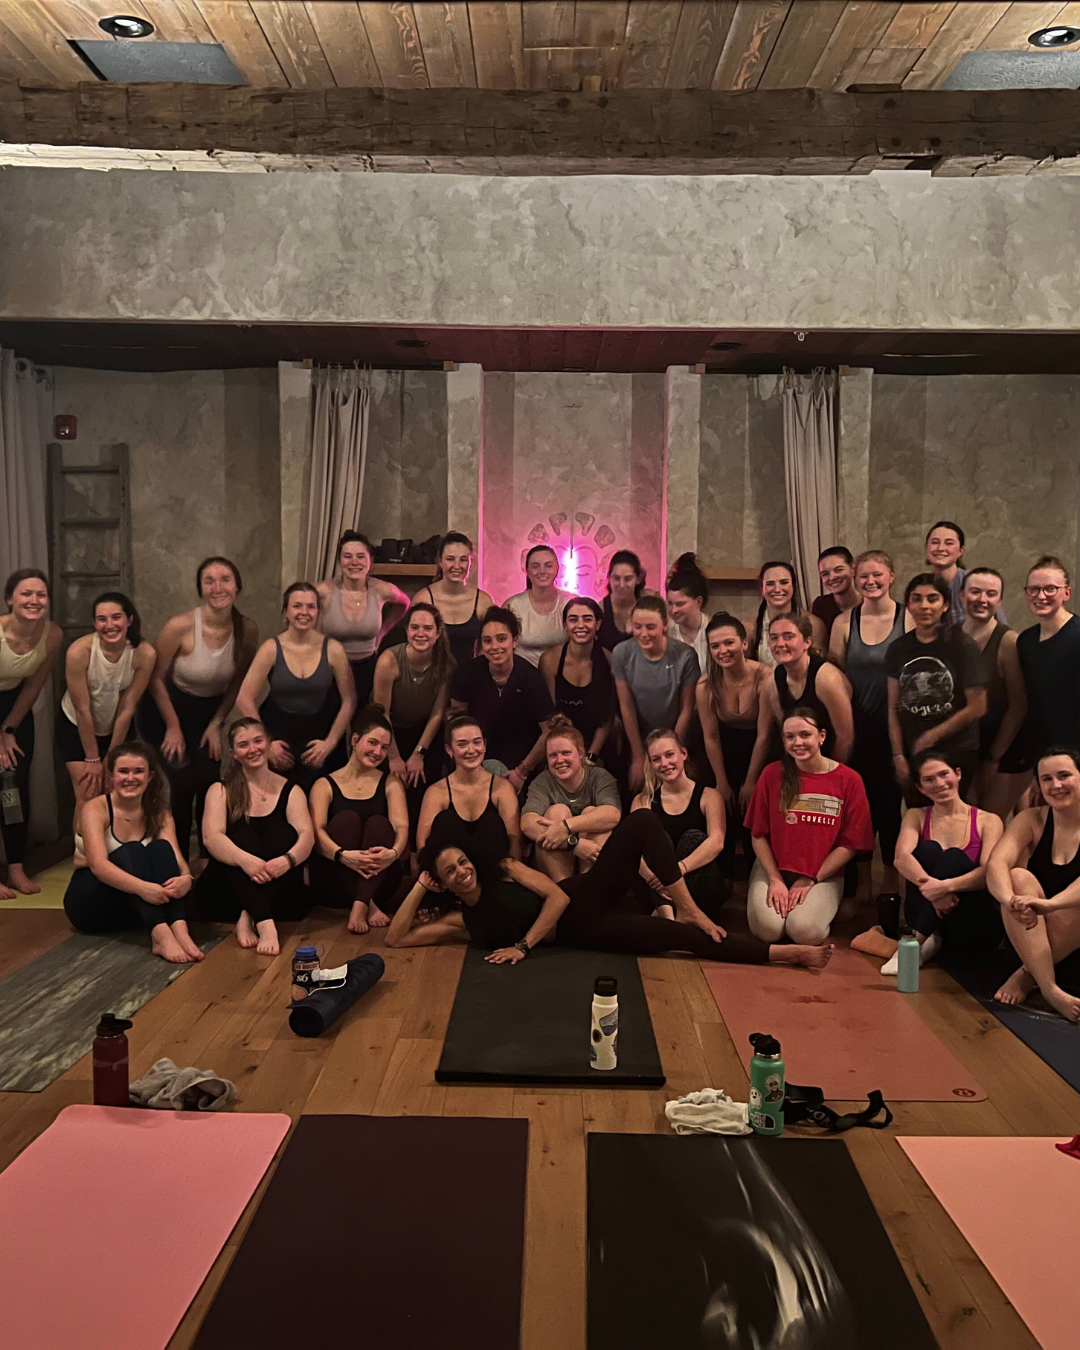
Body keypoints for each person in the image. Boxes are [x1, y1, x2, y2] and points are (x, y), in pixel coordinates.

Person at [386, 809, 834, 972]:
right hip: (587, 933)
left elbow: (558, 897)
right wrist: (420, 886)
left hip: (585, 895)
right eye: (450, 871)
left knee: (641, 822)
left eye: (462, 862)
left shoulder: (503, 869)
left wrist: (523, 946)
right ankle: (790, 955)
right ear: (443, 881)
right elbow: (396, 938)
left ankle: (688, 906)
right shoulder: (462, 922)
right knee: (680, 940)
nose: (462, 872)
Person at [146, 556, 258, 869]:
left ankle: (209, 860)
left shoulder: (248, 629)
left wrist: (216, 724)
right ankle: (178, 861)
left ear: (237, 587)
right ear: (200, 588)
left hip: (208, 714)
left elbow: (237, 683)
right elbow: (154, 679)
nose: (217, 587)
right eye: (209, 581)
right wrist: (172, 726)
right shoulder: (180, 626)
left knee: (210, 784)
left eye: (225, 579)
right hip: (164, 710)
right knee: (182, 785)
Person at [63, 741, 201, 964]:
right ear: (111, 776)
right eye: (123, 771)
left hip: (135, 905)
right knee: (134, 850)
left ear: (150, 776)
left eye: (138, 771)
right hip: (92, 902)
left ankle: (179, 928)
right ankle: (161, 935)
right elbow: (98, 865)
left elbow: (175, 856)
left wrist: (187, 878)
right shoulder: (95, 809)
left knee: (160, 848)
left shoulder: (159, 811)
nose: (130, 778)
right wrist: (143, 888)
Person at [745, 708, 874, 945]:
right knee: (768, 930)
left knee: (804, 932)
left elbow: (852, 844)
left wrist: (811, 879)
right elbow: (758, 834)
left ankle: (823, 909)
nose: (798, 743)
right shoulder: (772, 774)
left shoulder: (849, 780)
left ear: (821, 736)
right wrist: (775, 878)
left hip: (823, 874)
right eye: (790, 737)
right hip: (774, 867)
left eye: (805, 735)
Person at [829, 550, 910, 904]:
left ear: (891, 575)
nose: (870, 581)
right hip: (856, 729)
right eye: (863, 576)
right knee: (858, 809)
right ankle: (862, 883)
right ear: (855, 579)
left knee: (891, 807)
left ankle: (891, 881)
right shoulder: (844, 622)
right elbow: (834, 676)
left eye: (877, 574)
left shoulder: (908, 618)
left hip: (895, 729)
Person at [198, 718, 314, 957]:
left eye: (258, 741)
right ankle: (265, 925)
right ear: (234, 754)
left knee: (283, 833)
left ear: (269, 744)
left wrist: (287, 861)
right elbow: (211, 838)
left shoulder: (292, 790)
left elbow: (307, 836)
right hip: (228, 893)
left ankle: (248, 915)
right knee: (244, 838)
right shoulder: (220, 790)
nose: (253, 749)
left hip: (278, 889)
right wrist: (245, 861)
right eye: (244, 745)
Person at [986, 747, 1080, 1022]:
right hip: (1029, 935)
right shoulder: (1032, 819)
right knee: (1017, 878)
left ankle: (1027, 976)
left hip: (1073, 946)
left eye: (1064, 775)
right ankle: (1049, 988)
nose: (1056, 785)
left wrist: (1050, 904)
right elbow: (996, 864)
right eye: (1047, 779)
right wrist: (1010, 901)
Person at [236, 582, 356, 793]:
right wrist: (266, 743)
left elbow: (349, 700)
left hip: (320, 734)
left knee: (319, 798)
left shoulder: (333, 649)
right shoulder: (271, 648)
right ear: (286, 612)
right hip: (278, 735)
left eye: (311, 607)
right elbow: (244, 698)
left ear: (318, 612)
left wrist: (329, 743)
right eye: (297, 606)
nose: (304, 612)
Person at [890, 750, 1004, 971]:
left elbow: (988, 873)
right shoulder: (916, 815)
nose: (939, 784)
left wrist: (944, 887)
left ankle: (912, 945)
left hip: (971, 924)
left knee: (953, 857)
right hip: (928, 916)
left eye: (944, 774)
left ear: (957, 774)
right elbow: (901, 858)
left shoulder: (988, 821)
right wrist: (935, 894)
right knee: (929, 850)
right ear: (921, 788)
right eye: (929, 780)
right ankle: (926, 939)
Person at [886, 574, 988, 798]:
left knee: (955, 813)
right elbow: (893, 706)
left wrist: (932, 737)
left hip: (957, 749)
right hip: (914, 752)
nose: (924, 606)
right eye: (917, 599)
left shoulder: (962, 645)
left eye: (932, 599)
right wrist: (898, 755)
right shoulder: (898, 649)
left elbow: (978, 706)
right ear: (908, 605)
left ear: (945, 605)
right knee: (919, 814)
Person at [309, 706, 409, 934]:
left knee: (379, 824)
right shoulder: (324, 784)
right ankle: (367, 905)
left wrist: (393, 854)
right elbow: (316, 834)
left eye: (384, 747)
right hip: (335, 878)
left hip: (380, 878)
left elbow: (401, 827)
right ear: (355, 740)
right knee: (347, 820)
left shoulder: (391, 783)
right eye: (372, 743)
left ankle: (361, 904)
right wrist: (344, 856)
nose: (377, 752)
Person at [57, 591, 155, 805]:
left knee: (115, 792)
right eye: (102, 619)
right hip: (76, 725)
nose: (109, 625)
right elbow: (82, 708)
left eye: (116, 617)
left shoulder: (144, 654)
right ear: (94, 623)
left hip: (117, 727)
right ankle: (83, 830)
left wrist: (111, 757)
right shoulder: (79, 651)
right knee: (89, 793)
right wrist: (92, 758)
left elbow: (128, 707)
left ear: (129, 620)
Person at [0, 569, 62, 898]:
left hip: (15, 708)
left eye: (41, 594)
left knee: (16, 787)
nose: (34, 600)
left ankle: (16, 867)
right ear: (10, 599)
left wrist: (8, 729)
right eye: (26, 594)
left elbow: (33, 686)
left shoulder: (52, 635)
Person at [697, 613, 771, 874]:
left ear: (744, 643)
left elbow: (764, 735)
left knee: (755, 807)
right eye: (715, 646)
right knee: (719, 803)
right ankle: (723, 876)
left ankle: (760, 872)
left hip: (761, 750)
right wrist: (722, 782)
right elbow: (710, 736)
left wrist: (750, 782)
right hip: (724, 752)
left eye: (729, 643)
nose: (723, 651)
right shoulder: (706, 684)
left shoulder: (765, 677)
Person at [449, 607, 554, 791]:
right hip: (474, 759)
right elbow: (457, 724)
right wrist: (469, 764)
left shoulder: (531, 678)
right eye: (487, 641)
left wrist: (522, 772)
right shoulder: (467, 673)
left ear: (515, 641)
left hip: (520, 766)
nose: (495, 646)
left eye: (502, 639)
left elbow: (548, 731)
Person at [634, 729, 726, 923]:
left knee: (694, 837)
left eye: (669, 755)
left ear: (683, 754)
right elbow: (634, 850)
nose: (664, 763)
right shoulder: (643, 800)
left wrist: (676, 872)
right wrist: (652, 878)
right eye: (656, 759)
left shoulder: (709, 796)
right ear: (650, 763)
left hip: (701, 889)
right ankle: (669, 920)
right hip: (656, 890)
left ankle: (677, 916)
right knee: (659, 839)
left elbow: (717, 842)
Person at [999, 556, 1080, 777]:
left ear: (1067, 593)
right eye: (1033, 589)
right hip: (1045, 756)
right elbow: (1034, 706)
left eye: (1050, 589)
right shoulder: (1026, 641)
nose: (1041, 596)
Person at [371, 601, 455, 814]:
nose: (420, 634)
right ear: (407, 630)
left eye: (427, 628)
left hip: (423, 732)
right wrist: (393, 757)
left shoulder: (446, 664)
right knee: (391, 786)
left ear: (438, 632)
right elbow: (382, 713)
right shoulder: (389, 660)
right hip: (388, 730)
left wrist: (419, 753)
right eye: (415, 627)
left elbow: (437, 713)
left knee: (421, 785)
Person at [960, 567, 1028, 819]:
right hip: (964, 749)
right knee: (966, 824)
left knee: (990, 821)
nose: (982, 599)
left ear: (999, 601)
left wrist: (993, 758)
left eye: (991, 594)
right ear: (961, 595)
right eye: (975, 592)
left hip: (1001, 748)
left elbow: (1018, 706)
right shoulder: (950, 637)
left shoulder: (1009, 642)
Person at [613, 595, 699, 793]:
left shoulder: (685, 655)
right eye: (638, 627)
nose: (644, 634)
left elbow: (686, 709)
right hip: (638, 738)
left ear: (665, 625)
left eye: (651, 627)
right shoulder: (622, 653)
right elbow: (626, 707)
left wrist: (672, 752)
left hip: (676, 736)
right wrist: (638, 757)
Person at [520, 715, 621, 881]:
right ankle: (565, 889)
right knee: (557, 811)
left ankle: (588, 886)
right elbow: (527, 823)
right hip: (553, 866)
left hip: (592, 858)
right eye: (553, 755)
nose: (560, 760)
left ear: (581, 753)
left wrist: (564, 827)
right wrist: (573, 843)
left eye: (566, 753)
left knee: (593, 812)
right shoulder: (542, 781)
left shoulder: (599, 777)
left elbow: (612, 815)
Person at [317, 530, 409, 709]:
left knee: (365, 721)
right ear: (340, 561)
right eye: (347, 556)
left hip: (368, 669)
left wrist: (382, 632)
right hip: (331, 670)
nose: (354, 562)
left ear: (370, 561)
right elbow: (297, 609)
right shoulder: (324, 591)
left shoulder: (380, 589)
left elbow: (404, 603)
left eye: (360, 556)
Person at [417, 714, 522, 865]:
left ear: (484, 745)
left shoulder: (503, 789)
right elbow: (423, 847)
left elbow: (515, 843)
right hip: (451, 876)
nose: (471, 750)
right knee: (447, 821)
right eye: (462, 744)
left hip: (496, 873)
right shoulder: (435, 792)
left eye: (477, 742)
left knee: (490, 823)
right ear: (449, 750)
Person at [760, 613, 854, 762]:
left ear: (807, 642)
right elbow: (787, 734)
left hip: (842, 759)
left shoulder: (827, 679)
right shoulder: (772, 683)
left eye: (789, 636)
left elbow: (845, 737)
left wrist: (830, 773)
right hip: (805, 759)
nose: (780, 644)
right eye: (774, 638)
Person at [538, 596, 615, 761]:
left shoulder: (610, 660)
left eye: (587, 619)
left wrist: (591, 757)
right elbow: (549, 715)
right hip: (560, 744)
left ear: (598, 624)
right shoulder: (550, 660)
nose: (580, 625)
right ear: (565, 625)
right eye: (573, 620)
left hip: (598, 748)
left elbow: (607, 718)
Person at [414, 530, 493, 670]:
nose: (457, 566)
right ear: (440, 561)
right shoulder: (424, 599)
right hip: (432, 675)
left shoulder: (483, 601)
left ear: (470, 563)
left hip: (470, 675)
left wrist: (477, 669)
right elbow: (414, 645)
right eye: (450, 559)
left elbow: (490, 642)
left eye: (463, 560)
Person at [924, 519, 1006, 629]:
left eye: (949, 543)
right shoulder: (922, 585)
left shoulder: (975, 582)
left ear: (960, 551)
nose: (940, 548)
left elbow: (1001, 627)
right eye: (935, 542)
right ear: (926, 547)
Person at [503, 544, 574, 668]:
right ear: (527, 570)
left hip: (562, 674)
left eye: (548, 565)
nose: (542, 571)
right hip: (523, 675)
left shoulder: (571, 603)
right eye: (535, 566)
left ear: (557, 568)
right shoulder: (512, 605)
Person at [750, 562, 826, 668]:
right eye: (770, 584)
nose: (777, 589)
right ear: (762, 589)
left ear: (793, 587)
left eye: (784, 582)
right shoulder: (750, 626)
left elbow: (819, 667)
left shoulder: (814, 624)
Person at [665, 552, 710, 666]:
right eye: (670, 603)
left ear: (698, 602)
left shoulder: (713, 630)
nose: (673, 610)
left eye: (680, 604)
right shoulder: (665, 631)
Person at [598, 549, 647, 651]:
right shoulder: (600, 611)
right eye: (616, 578)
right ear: (609, 579)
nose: (622, 585)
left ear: (638, 579)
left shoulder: (648, 606)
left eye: (628, 579)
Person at [812, 546, 859, 638]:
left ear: (852, 570)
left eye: (838, 570)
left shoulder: (868, 602)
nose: (832, 577)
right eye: (825, 574)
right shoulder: (821, 605)